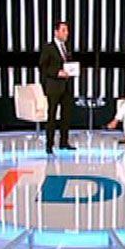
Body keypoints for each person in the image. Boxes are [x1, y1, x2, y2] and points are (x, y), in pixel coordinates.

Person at [38, 21, 76, 155]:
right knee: (52, 116)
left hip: (66, 86)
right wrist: (57, 73)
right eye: (64, 30)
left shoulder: (67, 47)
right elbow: (43, 67)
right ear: (56, 32)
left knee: (66, 116)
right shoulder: (48, 48)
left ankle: (64, 142)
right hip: (54, 86)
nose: (67, 33)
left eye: (67, 30)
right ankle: (49, 144)